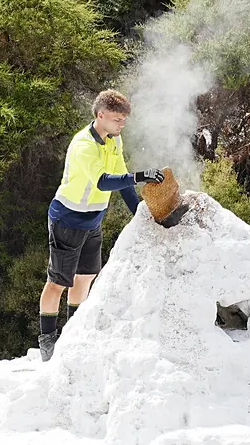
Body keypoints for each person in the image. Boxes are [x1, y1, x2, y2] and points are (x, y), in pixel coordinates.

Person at [38, 89, 164, 362]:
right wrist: (139, 175)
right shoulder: (84, 145)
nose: (122, 124)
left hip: (93, 218)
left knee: (85, 278)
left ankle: (72, 336)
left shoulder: (114, 141)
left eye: (124, 120)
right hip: (68, 218)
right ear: (101, 115)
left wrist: (139, 215)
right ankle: (48, 342)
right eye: (117, 119)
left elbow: (123, 181)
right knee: (58, 282)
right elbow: (104, 181)